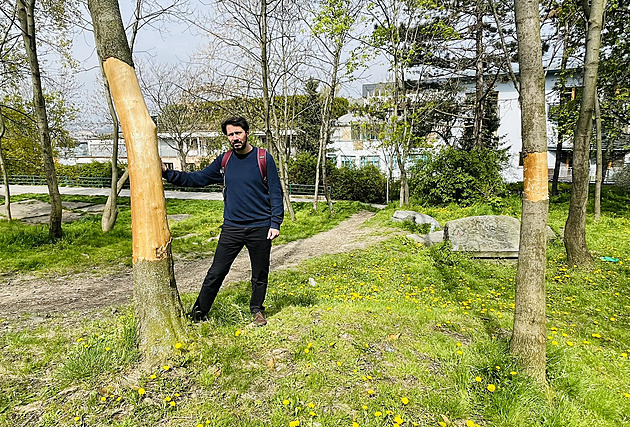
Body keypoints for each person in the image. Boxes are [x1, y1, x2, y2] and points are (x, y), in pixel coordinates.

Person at [161, 116, 284, 326]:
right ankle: (198, 314)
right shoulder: (224, 161)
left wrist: (275, 223)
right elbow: (197, 179)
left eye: (238, 133)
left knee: (260, 273)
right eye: (230, 134)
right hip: (232, 228)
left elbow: (275, 191)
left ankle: (257, 310)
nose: (235, 137)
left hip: (261, 227)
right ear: (227, 137)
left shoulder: (263, 158)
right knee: (216, 272)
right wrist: (167, 173)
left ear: (246, 133)